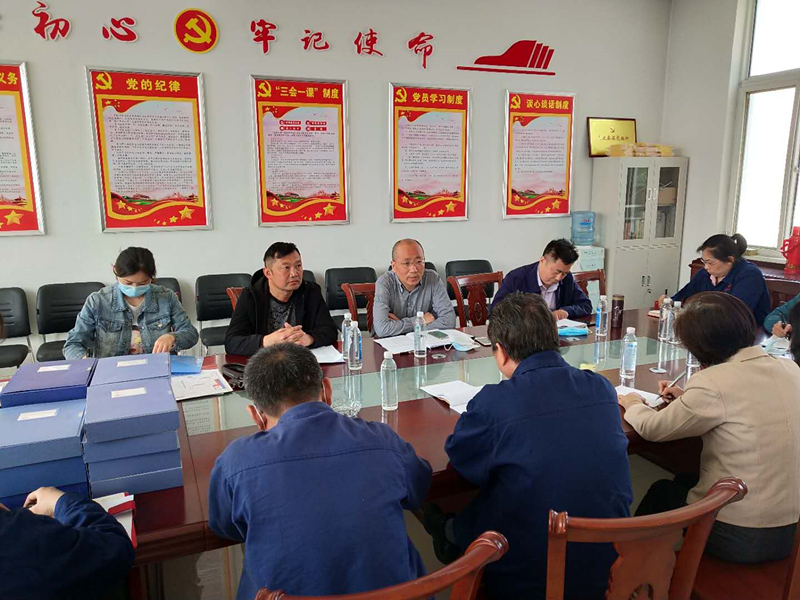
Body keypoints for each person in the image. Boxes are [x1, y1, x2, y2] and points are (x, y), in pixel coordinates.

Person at [427, 293, 632, 599]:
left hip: (528, 580)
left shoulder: (495, 402)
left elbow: (460, 460)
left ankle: (451, 532)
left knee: (485, 498)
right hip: (610, 569)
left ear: (500, 353)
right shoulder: (601, 388)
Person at [208, 343, 432, 599]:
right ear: (327, 390)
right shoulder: (383, 439)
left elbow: (225, 527)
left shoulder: (235, 461)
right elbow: (418, 489)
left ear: (256, 415)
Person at [620, 292, 800, 563]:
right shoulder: (790, 368)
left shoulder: (714, 381)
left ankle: (632, 568)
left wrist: (633, 402)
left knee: (662, 491)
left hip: (741, 535)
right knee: (684, 481)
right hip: (789, 530)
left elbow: (651, 428)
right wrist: (687, 400)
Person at [63, 247, 198, 359]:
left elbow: (191, 334)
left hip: (157, 368)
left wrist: (172, 337)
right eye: (128, 283)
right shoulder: (97, 301)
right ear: (115, 271)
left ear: (152, 277)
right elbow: (73, 344)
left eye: (143, 283)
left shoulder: (166, 297)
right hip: (112, 372)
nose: (134, 288)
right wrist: (84, 361)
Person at [224, 242, 337, 356]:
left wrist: (309, 338)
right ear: (268, 273)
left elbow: (330, 331)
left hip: (299, 360)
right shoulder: (250, 296)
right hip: (265, 361)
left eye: (298, 266)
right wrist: (266, 341)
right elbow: (232, 342)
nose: (294, 273)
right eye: (286, 268)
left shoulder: (311, 292)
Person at [660, 233, 770, 325]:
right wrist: (670, 301)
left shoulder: (749, 275)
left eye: (710, 263)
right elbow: (685, 294)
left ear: (730, 260)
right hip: (708, 327)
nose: (706, 267)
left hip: (746, 332)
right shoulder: (705, 273)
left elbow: (735, 314)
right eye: (704, 262)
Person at [372, 239, 456, 338]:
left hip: (424, 341)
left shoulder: (433, 278)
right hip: (390, 342)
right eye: (406, 263)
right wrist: (420, 321)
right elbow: (382, 329)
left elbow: (449, 321)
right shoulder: (384, 282)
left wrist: (403, 329)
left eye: (419, 262)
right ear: (394, 266)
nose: (414, 269)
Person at [490, 238, 592, 320]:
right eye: (557, 272)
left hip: (558, 334)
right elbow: (495, 311)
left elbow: (586, 305)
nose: (559, 278)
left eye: (564, 273)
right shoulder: (516, 278)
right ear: (542, 260)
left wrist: (566, 311)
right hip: (525, 335)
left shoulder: (567, 278)